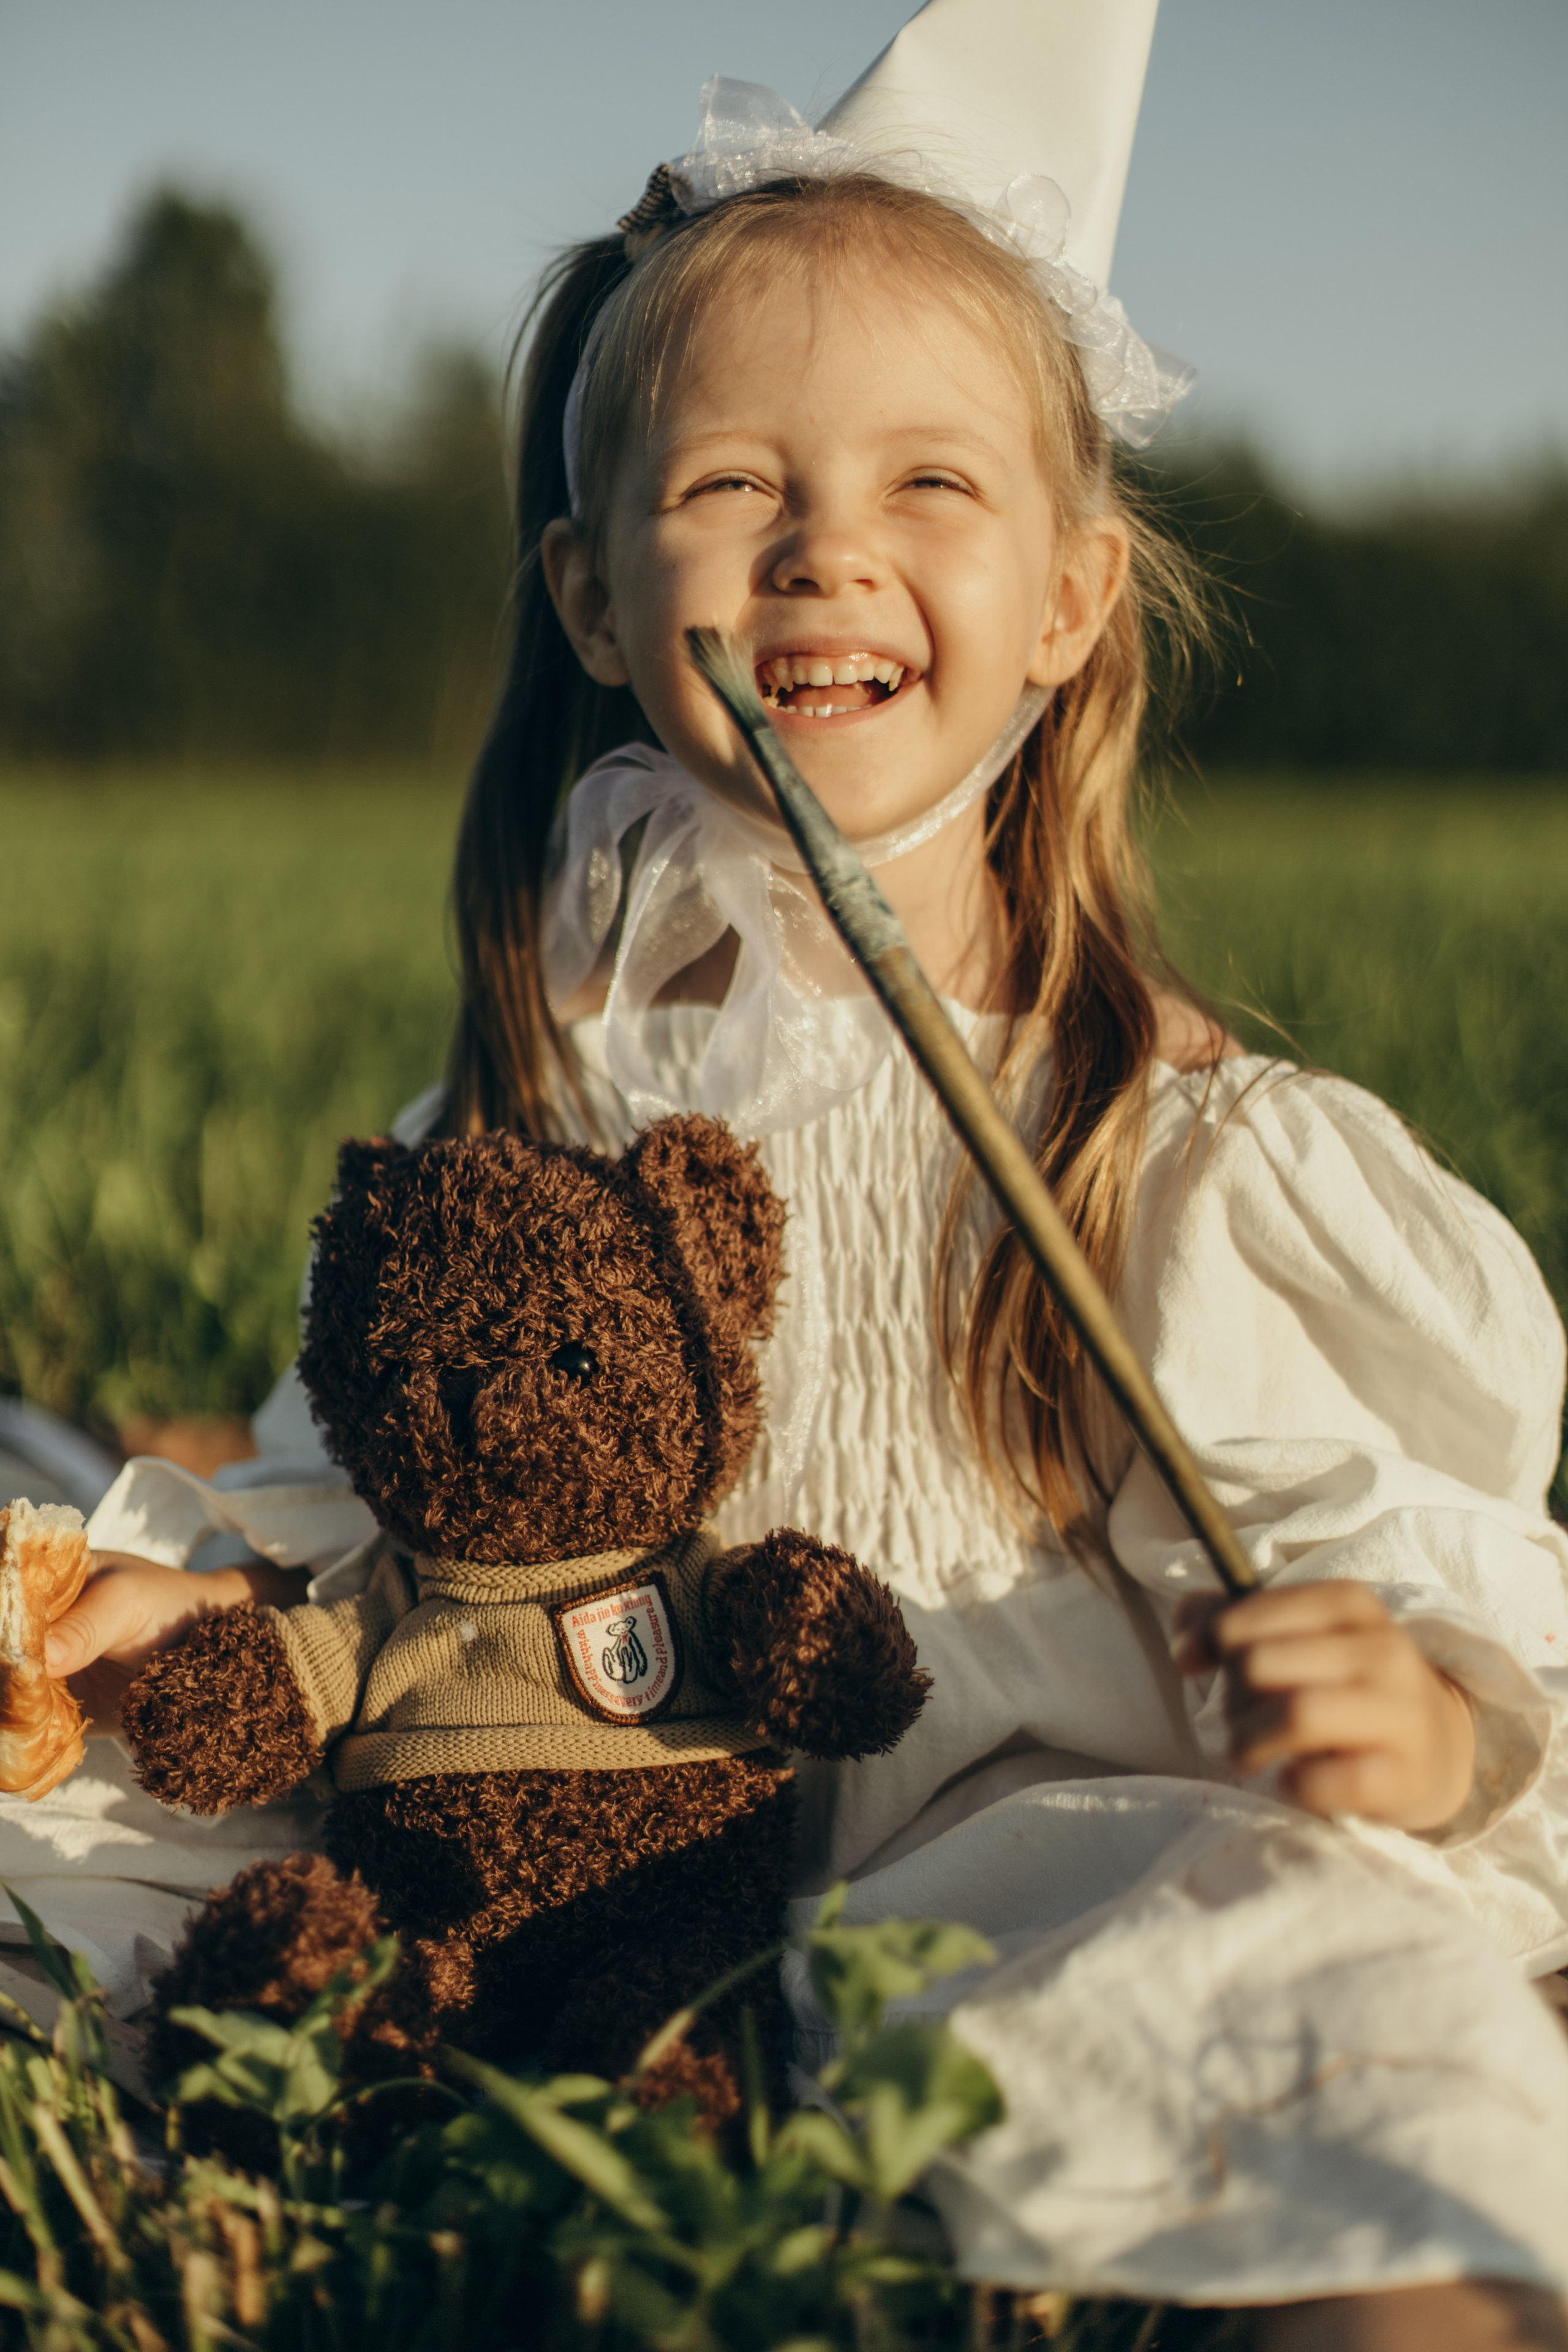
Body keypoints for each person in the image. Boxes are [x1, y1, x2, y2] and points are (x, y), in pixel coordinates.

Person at [27, 10, 1568, 2345]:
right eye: (738, 483)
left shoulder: (1176, 1138)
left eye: (928, 485)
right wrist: (206, 1605)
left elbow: (1403, 1568)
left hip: (1028, 1830)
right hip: (570, 1824)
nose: (829, 545)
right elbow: (406, 1505)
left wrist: (1422, 1721)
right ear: (591, 599)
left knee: (1333, 1997)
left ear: (1067, 598)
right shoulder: (561, 1088)